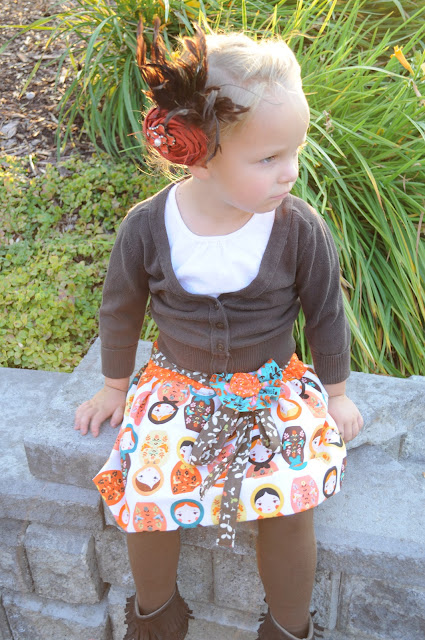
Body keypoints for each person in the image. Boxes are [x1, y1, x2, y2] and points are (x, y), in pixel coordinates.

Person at [74, 17, 364, 640]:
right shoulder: (148, 226)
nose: (289, 172)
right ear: (197, 153)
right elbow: (121, 308)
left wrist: (337, 395)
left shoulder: (298, 228)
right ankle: (156, 617)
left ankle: (288, 627)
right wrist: (114, 386)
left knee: (289, 500)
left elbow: (325, 313)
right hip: (175, 386)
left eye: (294, 152)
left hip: (271, 387)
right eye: (268, 158)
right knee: (147, 493)